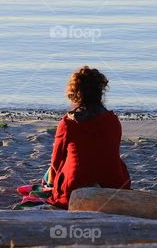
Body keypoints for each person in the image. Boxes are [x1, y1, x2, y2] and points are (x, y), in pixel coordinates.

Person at [47, 66, 131, 208]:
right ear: (100, 91)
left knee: (52, 171)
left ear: (74, 94)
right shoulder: (113, 120)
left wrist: (53, 185)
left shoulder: (68, 123)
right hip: (114, 187)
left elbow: (56, 162)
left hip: (74, 192)